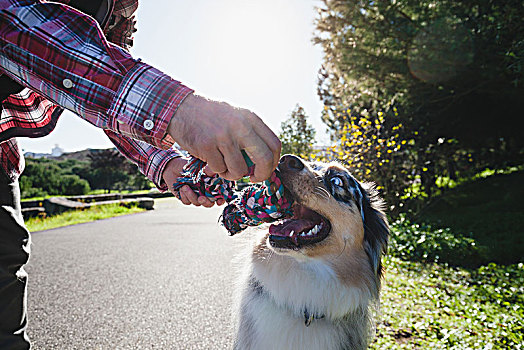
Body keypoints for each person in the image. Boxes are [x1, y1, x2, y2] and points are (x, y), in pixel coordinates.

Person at [0, 0, 281, 348]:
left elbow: (102, 79)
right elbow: (13, 23)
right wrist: (180, 110)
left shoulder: (119, 9)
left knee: (6, 269)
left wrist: (168, 164)